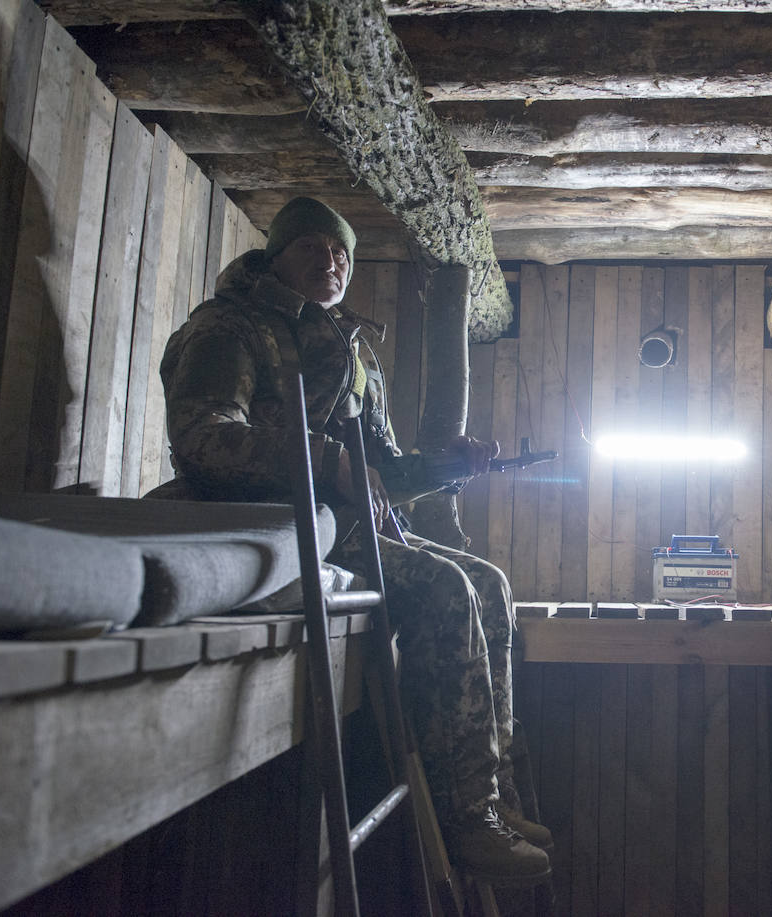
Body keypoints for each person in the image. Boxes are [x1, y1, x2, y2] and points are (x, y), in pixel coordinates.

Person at [152, 196, 551, 885]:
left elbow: (380, 473)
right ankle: (467, 818)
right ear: (275, 253)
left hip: (340, 527)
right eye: (312, 247)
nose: (330, 261)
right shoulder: (229, 327)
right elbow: (202, 436)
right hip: (269, 525)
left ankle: (493, 796)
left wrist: (442, 464)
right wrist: (323, 457)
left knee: (490, 581)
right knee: (446, 589)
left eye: (340, 253)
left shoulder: (350, 348)